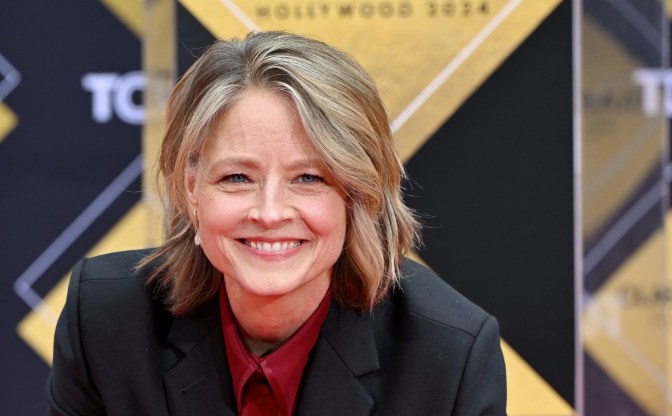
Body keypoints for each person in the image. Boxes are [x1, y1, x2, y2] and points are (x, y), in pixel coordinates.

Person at [48, 30, 506, 416]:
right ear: (191, 188)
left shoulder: (448, 358)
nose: (269, 213)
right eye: (237, 177)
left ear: (357, 195)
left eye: (308, 178)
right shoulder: (106, 321)